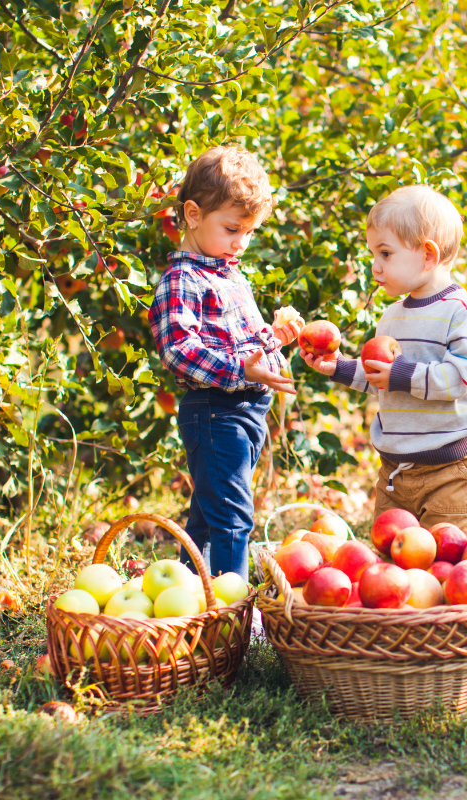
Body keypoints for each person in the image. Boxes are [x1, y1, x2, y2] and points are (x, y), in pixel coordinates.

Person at [302, 185, 467, 536]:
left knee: (447, 569)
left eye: (385, 254)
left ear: (428, 255)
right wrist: (340, 367)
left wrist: (401, 375)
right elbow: (386, 382)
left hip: (450, 469)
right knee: (391, 569)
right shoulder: (391, 316)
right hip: (394, 472)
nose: (375, 266)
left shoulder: (460, 312)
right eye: (374, 254)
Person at [149, 146, 301, 579]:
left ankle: (189, 591)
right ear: (193, 215)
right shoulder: (183, 279)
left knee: (209, 510)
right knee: (234, 515)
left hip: (246, 413)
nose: (241, 242)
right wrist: (240, 371)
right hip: (215, 413)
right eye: (233, 228)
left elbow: (244, 347)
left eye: (250, 232)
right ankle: (233, 608)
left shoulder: (227, 272)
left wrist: (277, 338)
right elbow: (179, 349)